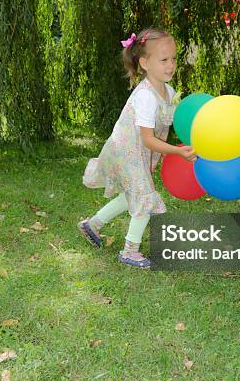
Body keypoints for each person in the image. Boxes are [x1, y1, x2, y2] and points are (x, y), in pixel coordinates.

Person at [78, 27, 196, 268]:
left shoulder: (168, 91)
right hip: (128, 151)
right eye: (163, 60)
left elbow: (167, 123)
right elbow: (147, 139)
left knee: (131, 195)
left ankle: (92, 225)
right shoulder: (145, 96)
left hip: (140, 154)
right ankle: (130, 251)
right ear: (144, 62)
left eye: (173, 58)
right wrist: (176, 151)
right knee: (144, 197)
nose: (171, 65)